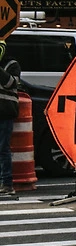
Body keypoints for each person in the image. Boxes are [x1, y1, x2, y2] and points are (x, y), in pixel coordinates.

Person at [0, 38, 22, 198]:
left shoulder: (12, 64)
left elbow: (10, 83)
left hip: (5, 110)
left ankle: (7, 184)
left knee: (2, 149)